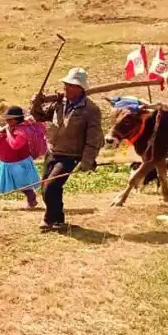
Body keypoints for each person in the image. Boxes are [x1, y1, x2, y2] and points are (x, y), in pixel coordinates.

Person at [30, 67, 104, 231]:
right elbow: (40, 116)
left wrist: (87, 160)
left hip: (70, 155)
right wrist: (35, 104)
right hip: (53, 151)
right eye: (66, 84)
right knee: (46, 188)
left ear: (80, 88)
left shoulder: (90, 110)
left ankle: (49, 220)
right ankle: (58, 220)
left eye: (71, 85)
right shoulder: (59, 103)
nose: (66, 87)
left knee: (51, 186)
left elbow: (95, 138)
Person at [0, 106, 41, 213]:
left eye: (10, 119)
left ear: (17, 119)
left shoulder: (22, 131)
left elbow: (15, 145)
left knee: (23, 184)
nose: (7, 121)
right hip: (5, 163)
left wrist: (7, 132)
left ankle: (32, 200)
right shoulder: (6, 130)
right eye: (7, 119)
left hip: (19, 163)